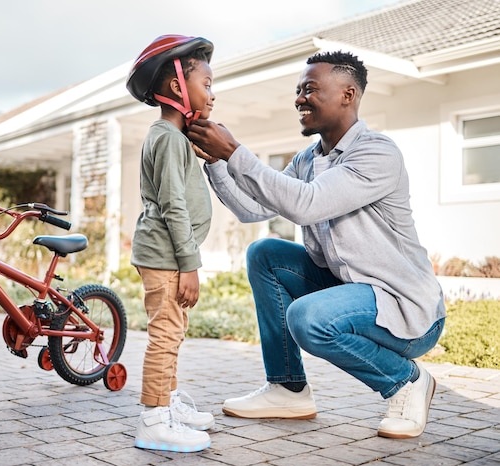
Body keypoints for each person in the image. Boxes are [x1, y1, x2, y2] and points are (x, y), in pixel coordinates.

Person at [187, 50, 446, 439]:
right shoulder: (309, 158)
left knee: (309, 318)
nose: (299, 99)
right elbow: (252, 209)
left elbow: (307, 204)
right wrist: (217, 163)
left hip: (405, 307)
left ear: (348, 94)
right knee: (266, 254)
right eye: (298, 91)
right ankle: (287, 388)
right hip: (352, 293)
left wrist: (235, 151)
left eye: (310, 89)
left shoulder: (377, 152)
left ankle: (406, 382)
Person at [125, 34, 216, 452]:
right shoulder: (165, 137)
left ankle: (169, 403)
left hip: (168, 255)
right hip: (167, 257)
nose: (212, 94)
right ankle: (154, 420)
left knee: (173, 333)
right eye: (208, 84)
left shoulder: (175, 138)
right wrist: (191, 263)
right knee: (165, 335)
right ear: (179, 87)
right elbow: (173, 206)